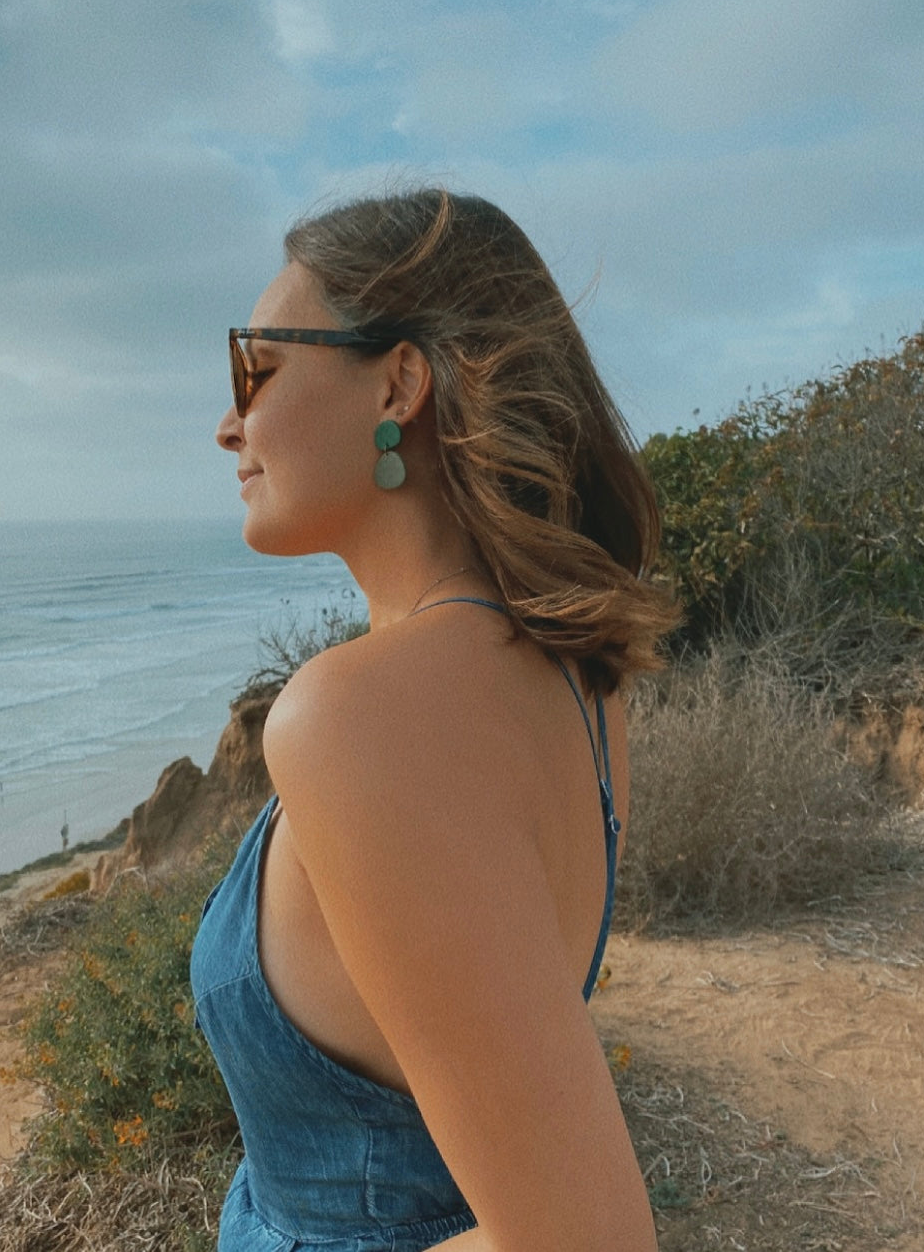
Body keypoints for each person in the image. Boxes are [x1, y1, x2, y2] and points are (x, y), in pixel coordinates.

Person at [191, 189, 677, 1251]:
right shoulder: (576, 680)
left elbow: (584, 1238)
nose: (229, 420)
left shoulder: (354, 716)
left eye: (255, 368)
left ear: (400, 380)